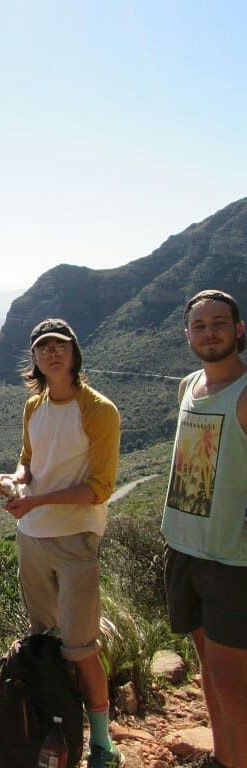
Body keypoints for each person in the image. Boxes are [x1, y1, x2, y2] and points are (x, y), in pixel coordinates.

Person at [0, 318, 123, 768]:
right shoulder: (34, 406)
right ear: (34, 357)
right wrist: (15, 480)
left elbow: (100, 488)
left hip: (75, 539)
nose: (52, 352)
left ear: (74, 353)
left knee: (80, 647)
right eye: (43, 346)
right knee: (44, 641)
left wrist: (37, 501)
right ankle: (57, 731)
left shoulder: (99, 411)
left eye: (60, 345)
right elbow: (29, 461)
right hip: (32, 537)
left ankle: (102, 743)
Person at [162, 289, 247, 768]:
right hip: (184, 548)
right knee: (209, 674)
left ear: (239, 330)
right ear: (187, 335)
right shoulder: (189, 385)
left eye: (219, 323)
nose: (209, 332)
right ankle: (223, 756)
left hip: (231, 560)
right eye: (199, 325)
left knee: (233, 684)